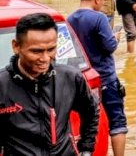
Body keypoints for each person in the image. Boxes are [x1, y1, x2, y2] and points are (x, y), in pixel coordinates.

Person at [0, 13, 99, 156]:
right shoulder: (2, 85)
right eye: (36, 51)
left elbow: (92, 109)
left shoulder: (71, 78)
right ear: (16, 46)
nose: (45, 58)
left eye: (51, 49)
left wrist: (86, 149)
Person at [68, 0, 127, 155]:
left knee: (89, 123)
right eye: (102, 1)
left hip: (83, 79)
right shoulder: (99, 18)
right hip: (105, 78)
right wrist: (115, 36)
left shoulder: (70, 19)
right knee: (117, 123)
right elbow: (109, 46)